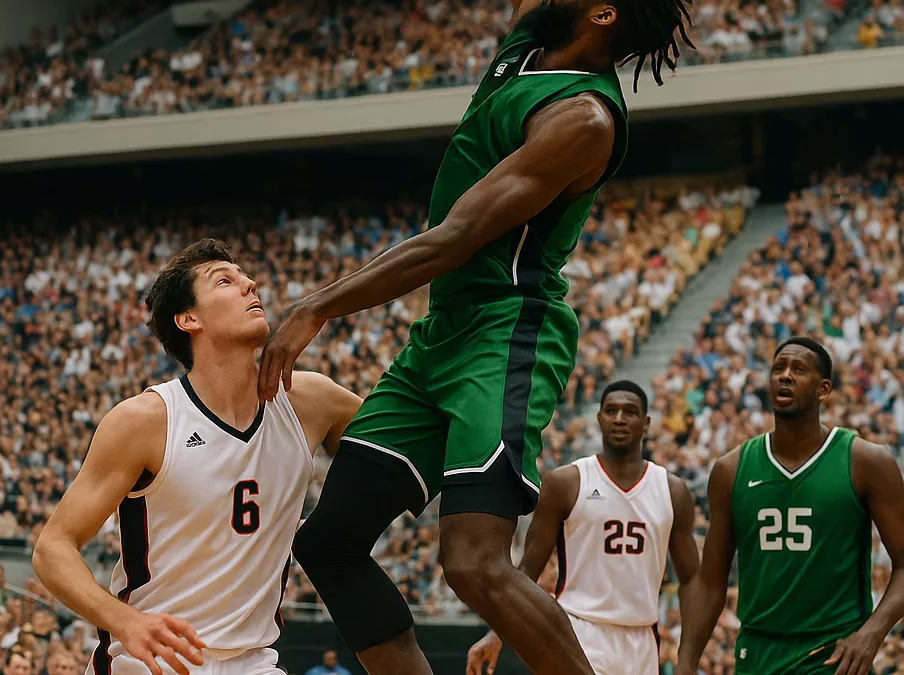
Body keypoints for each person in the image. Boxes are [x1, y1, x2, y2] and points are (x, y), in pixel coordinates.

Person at [258, 0, 694, 672]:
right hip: (443, 333)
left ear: (604, 13)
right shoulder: (532, 36)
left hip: (507, 329)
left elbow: (456, 240)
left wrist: (318, 305)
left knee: (474, 562)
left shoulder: (584, 118)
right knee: (330, 541)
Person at [33, 240, 362, 675]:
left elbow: (406, 444)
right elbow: (52, 547)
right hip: (152, 660)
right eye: (226, 281)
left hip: (256, 662)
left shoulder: (313, 400)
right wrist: (126, 622)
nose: (251, 285)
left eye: (246, 277)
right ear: (189, 319)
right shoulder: (146, 420)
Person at [675, 337, 904, 675]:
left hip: (833, 657)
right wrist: (685, 661)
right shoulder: (730, 469)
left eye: (798, 369)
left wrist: (871, 634)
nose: (785, 376)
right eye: (778, 368)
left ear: (823, 389)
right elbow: (710, 582)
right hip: (757, 657)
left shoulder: (866, 461)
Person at [467, 381, 699, 675]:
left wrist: (688, 659)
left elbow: (692, 579)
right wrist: (497, 633)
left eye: (629, 412)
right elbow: (527, 571)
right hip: (577, 631)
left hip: (642, 638)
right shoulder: (567, 482)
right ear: (599, 418)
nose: (618, 418)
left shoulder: (672, 491)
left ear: (646, 423)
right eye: (611, 410)